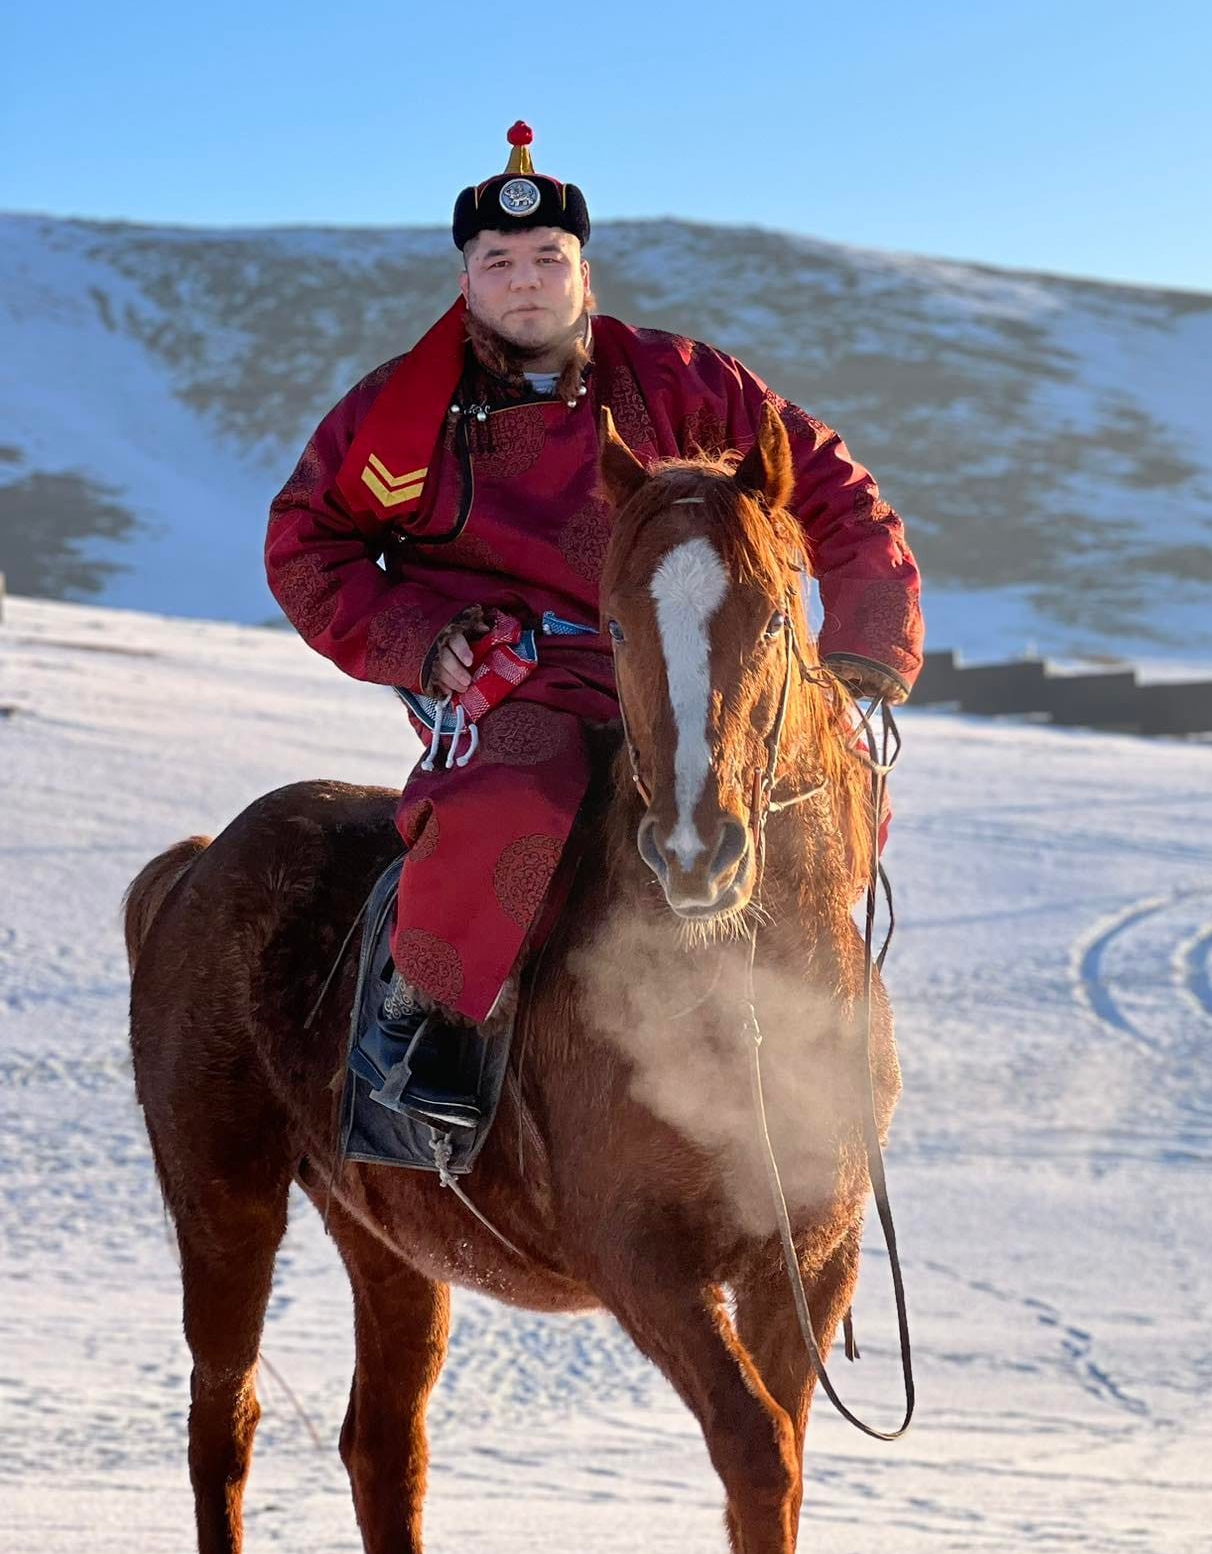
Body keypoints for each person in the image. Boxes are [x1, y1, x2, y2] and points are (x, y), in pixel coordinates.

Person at [265, 123, 923, 1130]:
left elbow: (832, 488)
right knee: (516, 791)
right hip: (525, 680)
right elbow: (307, 544)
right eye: (499, 262)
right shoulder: (396, 416)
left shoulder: (688, 382)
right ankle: (427, 1017)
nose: (524, 280)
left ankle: (828, 1032)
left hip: (700, 665)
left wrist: (864, 647)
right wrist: (422, 637)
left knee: (817, 782)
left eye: (545, 259)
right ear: (468, 278)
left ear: (582, 271)